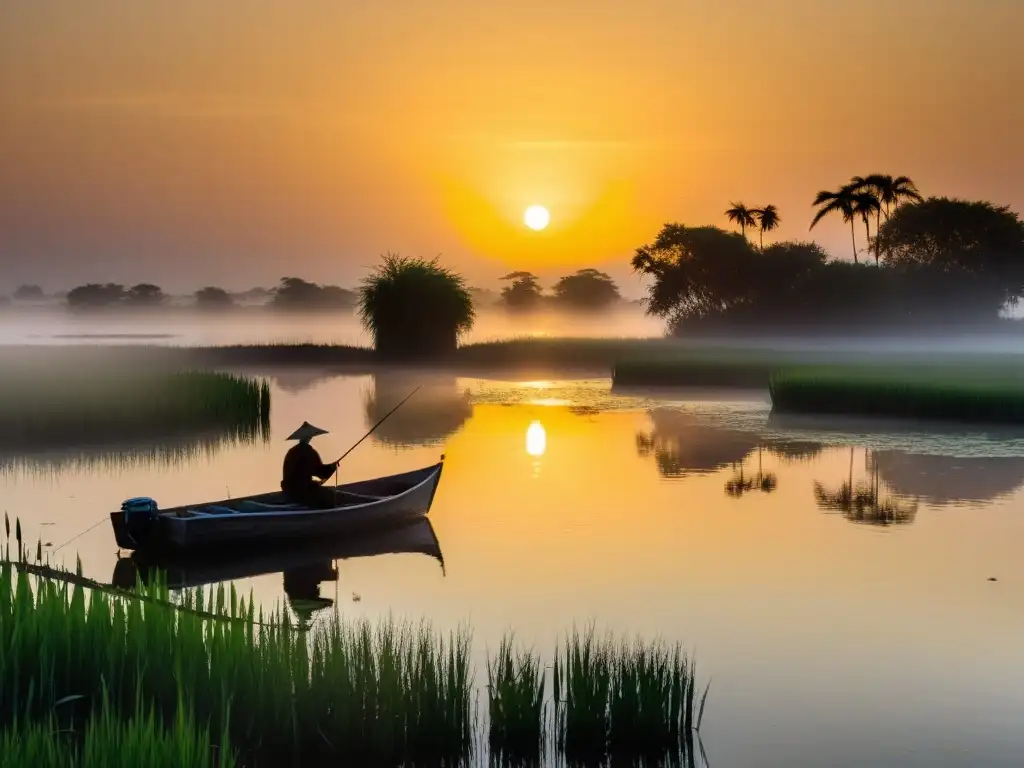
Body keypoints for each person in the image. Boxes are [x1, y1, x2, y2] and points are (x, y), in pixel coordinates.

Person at [281, 421, 340, 509]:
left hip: (288, 490)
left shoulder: (291, 452)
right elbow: (321, 473)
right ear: (309, 437)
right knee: (330, 494)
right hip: (302, 492)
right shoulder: (309, 452)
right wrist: (332, 467)